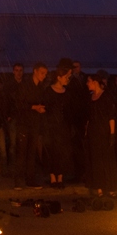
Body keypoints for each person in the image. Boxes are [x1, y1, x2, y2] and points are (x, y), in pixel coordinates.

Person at [14, 62, 48, 190]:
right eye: (42, 73)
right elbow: (18, 104)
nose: (44, 76)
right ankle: (18, 180)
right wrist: (34, 107)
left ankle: (30, 179)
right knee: (21, 152)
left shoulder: (41, 87)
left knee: (32, 152)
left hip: (35, 123)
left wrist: (42, 108)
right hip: (23, 123)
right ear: (35, 71)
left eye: (45, 74)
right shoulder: (24, 85)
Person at [44, 60, 74, 189]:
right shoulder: (49, 91)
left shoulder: (67, 93)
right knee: (52, 151)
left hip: (63, 127)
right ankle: (52, 177)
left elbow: (69, 110)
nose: (68, 79)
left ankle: (60, 177)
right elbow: (46, 109)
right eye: (66, 77)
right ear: (59, 77)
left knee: (62, 152)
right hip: (51, 127)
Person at [85, 74, 116, 197]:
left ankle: (110, 187)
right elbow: (88, 117)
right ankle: (99, 187)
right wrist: (86, 132)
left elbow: (111, 117)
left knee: (106, 160)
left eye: (89, 81)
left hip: (104, 132)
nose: (87, 84)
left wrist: (112, 134)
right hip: (93, 132)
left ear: (95, 82)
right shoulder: (90, 98)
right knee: (96, 160)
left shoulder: (106, 97)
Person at [4, 63, 26, 166]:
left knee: (22, 142)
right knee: (13, 142)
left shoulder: (26, 85)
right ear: (13, 71)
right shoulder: (9, 85)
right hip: (13, 117)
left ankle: (21, 165)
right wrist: (8, 115)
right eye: (16, 70)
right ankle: (13, 166)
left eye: (20, 70)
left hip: (23, 117)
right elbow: (5, 101)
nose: (18, 73)